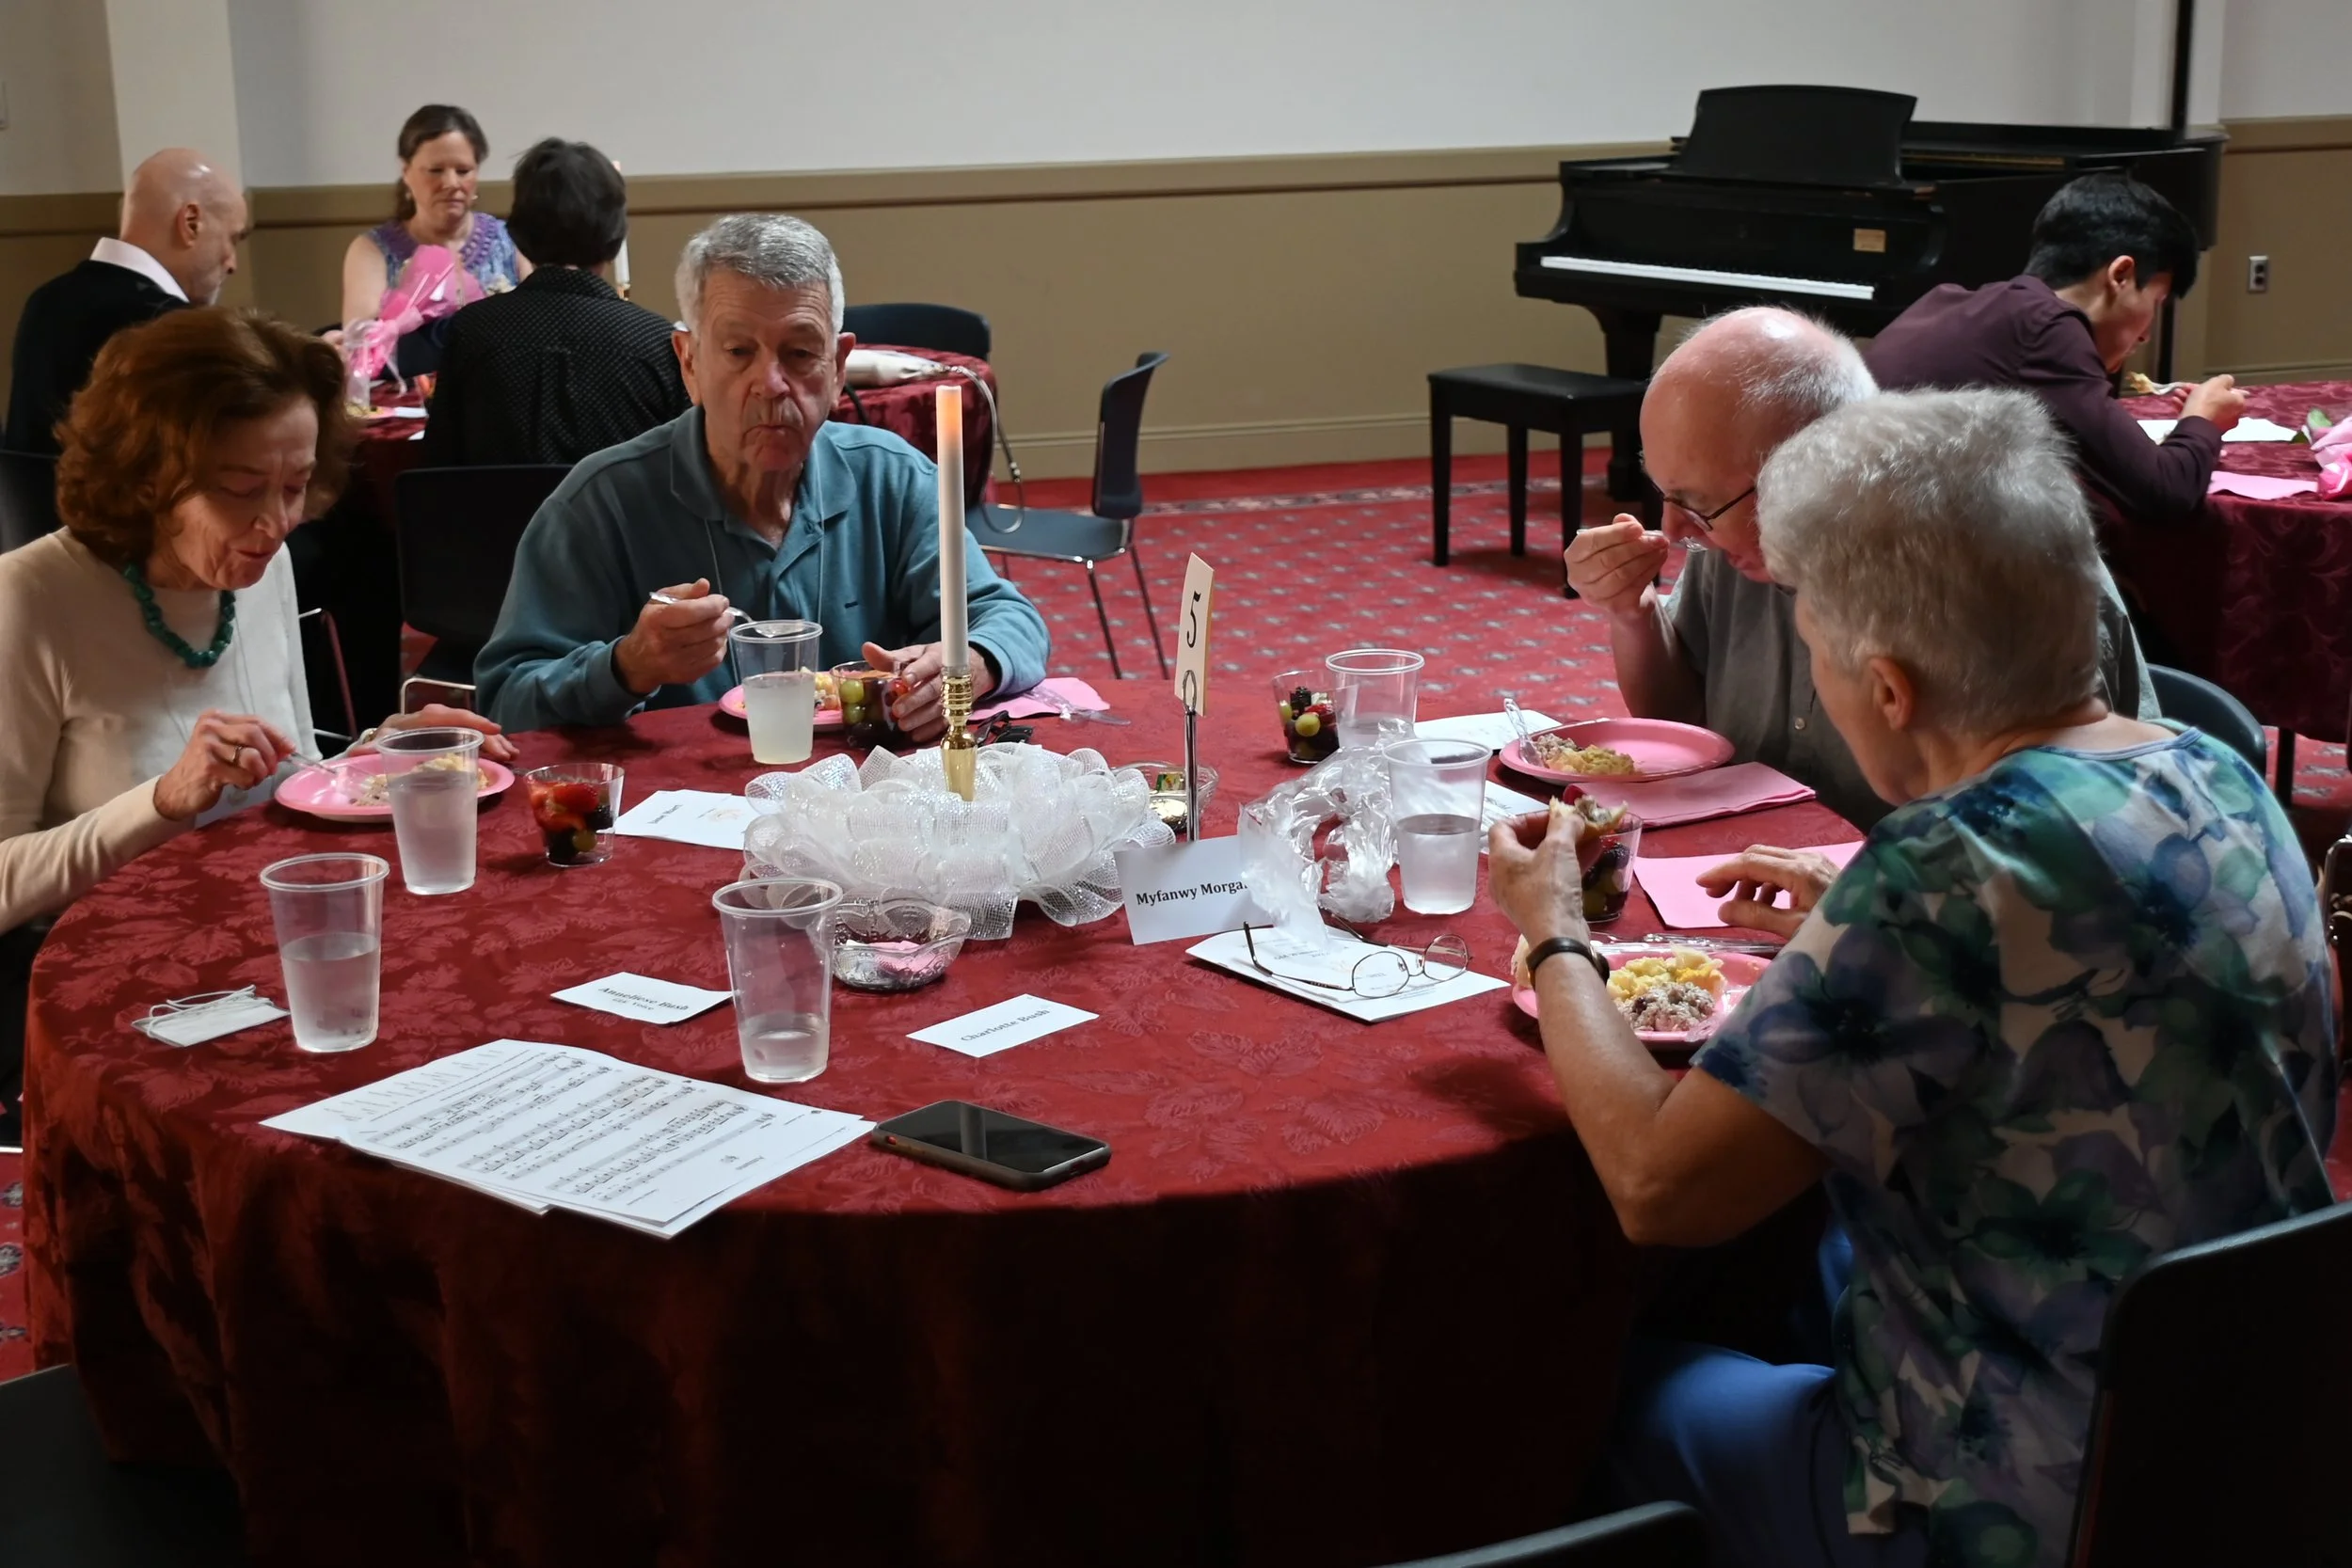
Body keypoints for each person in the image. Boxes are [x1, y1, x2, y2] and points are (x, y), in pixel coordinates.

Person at [1491, 388, 2335, 1568]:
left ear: (1888, 688)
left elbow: (1656, 1185)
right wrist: (1851, 912)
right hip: (2253, 1431)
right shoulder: (2218, 769)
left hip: (1999, 1495)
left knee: (1585, 1383)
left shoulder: (1944, 867)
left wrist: (1553, 931)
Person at [0, 308, 508, 1150]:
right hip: (123, 988)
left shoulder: (255, 571)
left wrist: (384, 750)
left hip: (272, 944)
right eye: (240, 489)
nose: (276, 522)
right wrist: (159, 803)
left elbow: (288, 771)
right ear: (146, 474)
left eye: (295, 484)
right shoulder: (32, 600)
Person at [1564, 308, 2157, 829]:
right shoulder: (1738, 541)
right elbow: (1686, 731)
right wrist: (1633, 614)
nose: (1674, 531)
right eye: (1664, 494)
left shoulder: (1992, 573)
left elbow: (2061, 826)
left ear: (1811, 465)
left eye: (1697, 504)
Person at [474, 214, 1049, 741]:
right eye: (738, 351)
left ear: (839, 365)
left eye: (800, 354)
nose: (771, 384)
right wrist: (628, 666)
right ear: (689, 362)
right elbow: (507, 701)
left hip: (864, 820)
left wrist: (973, 660)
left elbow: (1010, 620)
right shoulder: (602, 502)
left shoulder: (890, 479)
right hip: (675, 822)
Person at [1867, 172, 2245, 525]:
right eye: (2157, 303)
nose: (2146, 335)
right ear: (2121, 275)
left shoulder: (1956, 303)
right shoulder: (2046, 329)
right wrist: (2203, 422)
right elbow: (2167, 493)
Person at [418, 138, 688, 467]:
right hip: (616, 520)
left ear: (519, 232)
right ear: (615, 234)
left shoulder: (473, 331)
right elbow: (686, 476)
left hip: (498, 519)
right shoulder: (655, 342)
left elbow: (439, 468)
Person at [4, 149, 246, 455]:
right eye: (233, 239)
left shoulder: (46, 299)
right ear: (191, 221)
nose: (232, 263)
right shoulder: (171, 328)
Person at [339, 105, 527, 356]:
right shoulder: (373, 250)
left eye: (463, 171)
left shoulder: (510, 240)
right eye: (436, 171)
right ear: (406, 172)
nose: (451, 183)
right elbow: (362, 346)